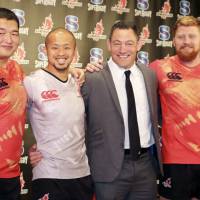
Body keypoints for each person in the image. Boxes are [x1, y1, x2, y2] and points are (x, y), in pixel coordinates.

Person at [81, 21, 162, 200]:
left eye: (129, 43)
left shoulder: (149, 75)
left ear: (139, 44)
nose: (122, 49)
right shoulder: (92, 77)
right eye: (117, 43)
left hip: (145, 167)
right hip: (108, 169)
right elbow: (75, 120)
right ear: (109, 44)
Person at [23, 28, 93, 200]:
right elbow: (10, 118)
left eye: (67, 47)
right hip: (49, 174)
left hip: (82, 174)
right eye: (55, 47)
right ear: (45, 50)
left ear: (75, 51)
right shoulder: (32, 82)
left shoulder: (78, 80)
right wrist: (26, 151)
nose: (61, 53)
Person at [149, 16, 200, 200]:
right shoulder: (159, 67)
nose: (186, 41)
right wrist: (84, 71)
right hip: (174, 160)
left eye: (192, 36)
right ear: (173, 40)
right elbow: (125, 77)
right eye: (181, 37)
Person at [0, 7, 27, 200]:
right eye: (1, 33)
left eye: (14, 34)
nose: (8, 39)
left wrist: (74, 74)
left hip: (10, 174)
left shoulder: (16, 70)